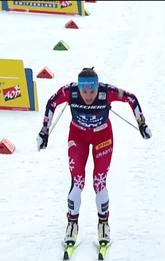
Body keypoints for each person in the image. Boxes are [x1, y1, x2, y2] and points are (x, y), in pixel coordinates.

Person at [36, 67, 151, 249]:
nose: (88, 96)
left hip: (102, 137)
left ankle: (103, 224)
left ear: (98, 87)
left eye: (92, 91)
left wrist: (142, 124)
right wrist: (44, 131)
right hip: (78, 136)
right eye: (84, 91)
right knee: (77, 181)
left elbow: (131, 98)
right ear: (79, 88)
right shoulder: (70, 91)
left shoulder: (107, 91)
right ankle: (72, 224)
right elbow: (52, 102)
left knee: (99, 181)